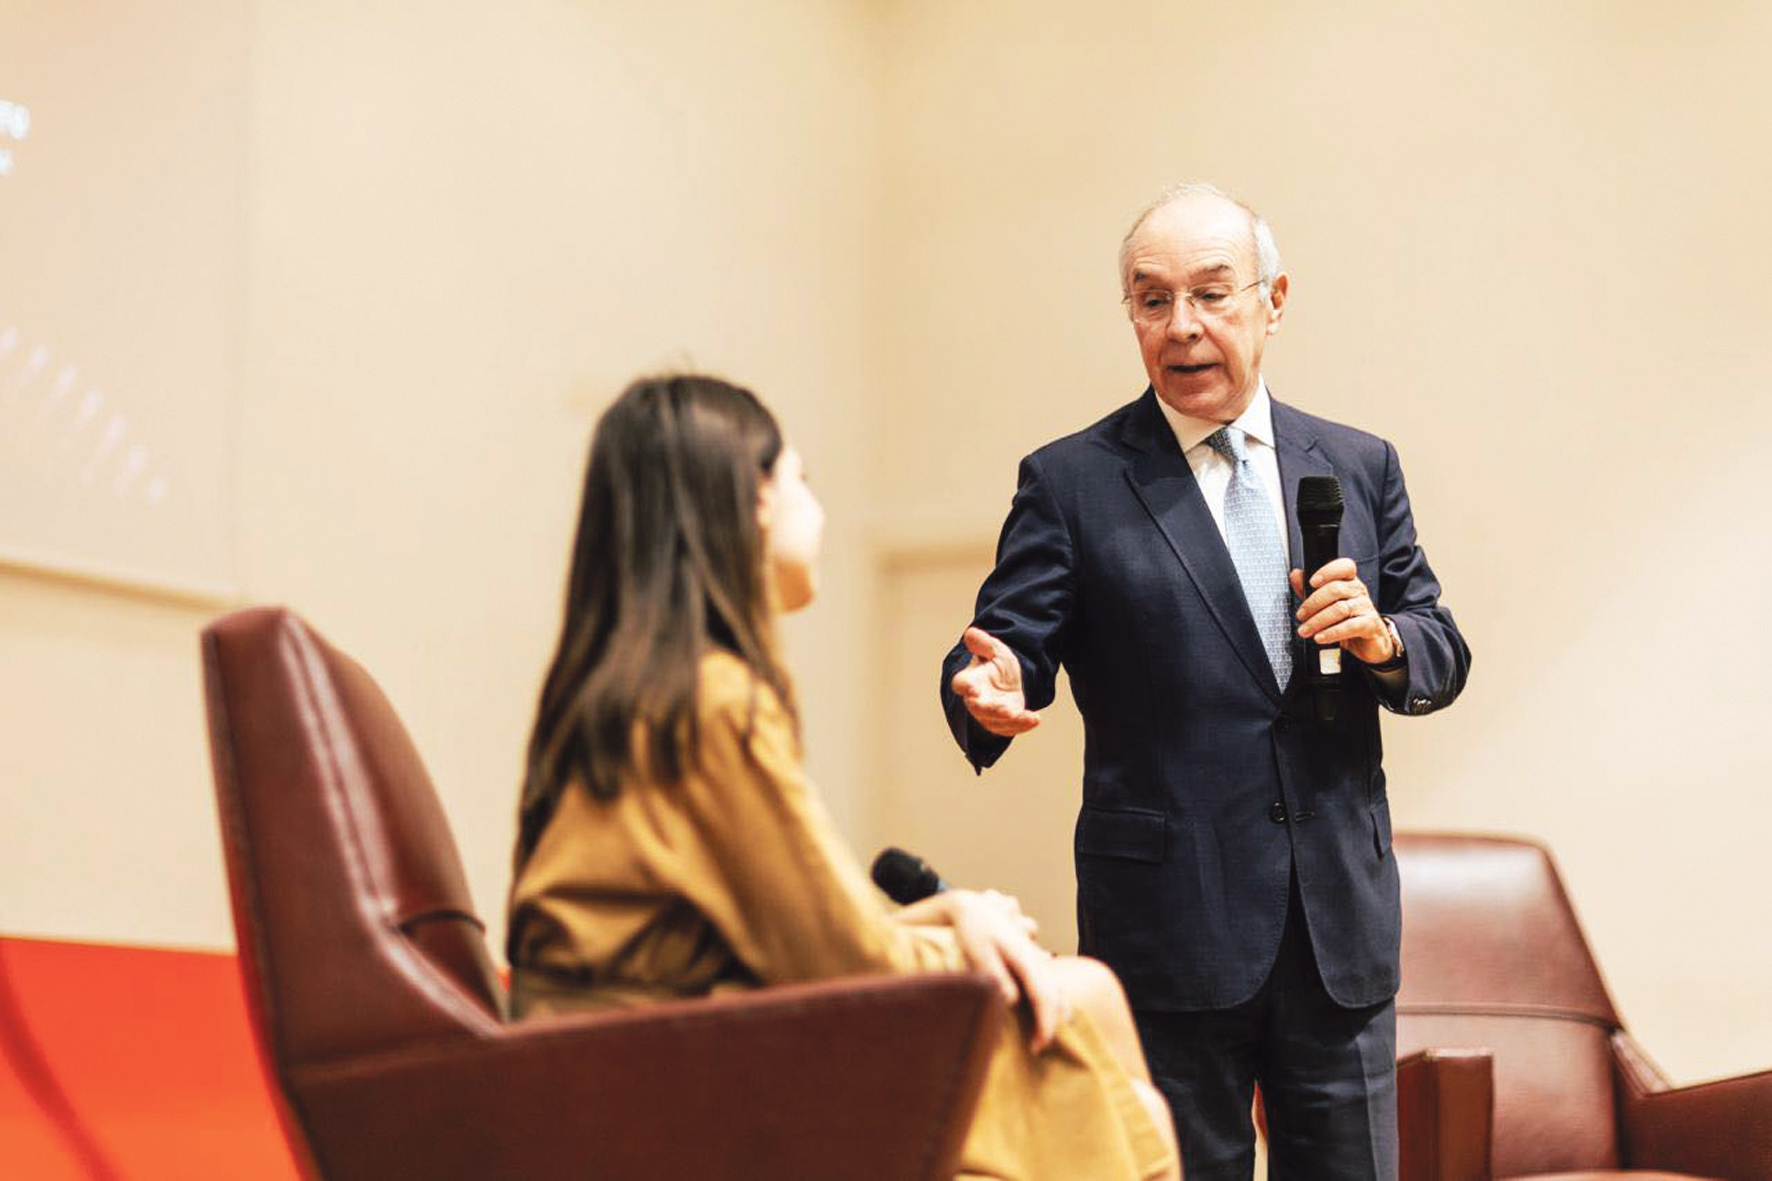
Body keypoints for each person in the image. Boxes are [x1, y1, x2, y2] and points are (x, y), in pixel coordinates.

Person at [506, 374, 1180, 1180]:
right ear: (752, 501)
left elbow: (788, 931)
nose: (817, 510)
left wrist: (950, 913)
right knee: (1115, 1075)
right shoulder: (713, 699)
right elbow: (838, 960)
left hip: (647, 1059)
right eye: (802, 482)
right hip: (683, 1081)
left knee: (1092, 1005)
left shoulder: (637, 690)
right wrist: (965, 943)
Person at [940, 184, 1471, 1179]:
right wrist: (985, 685)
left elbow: (1437, 644)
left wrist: (1382, 641)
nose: (1179, 325)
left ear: (1271, 300)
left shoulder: (1355, 465)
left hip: (1335, 931)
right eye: (1151, 301)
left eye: (1209, 295)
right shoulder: (1073, 480)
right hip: (1166, 929)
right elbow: (1000, 643)